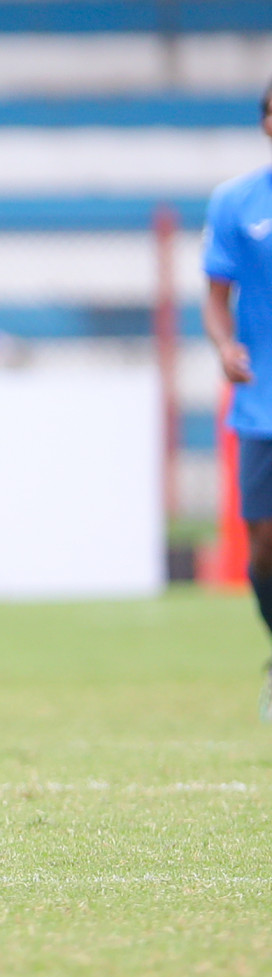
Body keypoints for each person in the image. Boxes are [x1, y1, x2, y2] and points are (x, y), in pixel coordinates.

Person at [205, 79, 272, 719]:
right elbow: (215, 297)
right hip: (262, 401)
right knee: (263, 545)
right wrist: (225, 347)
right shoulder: (237, 202)